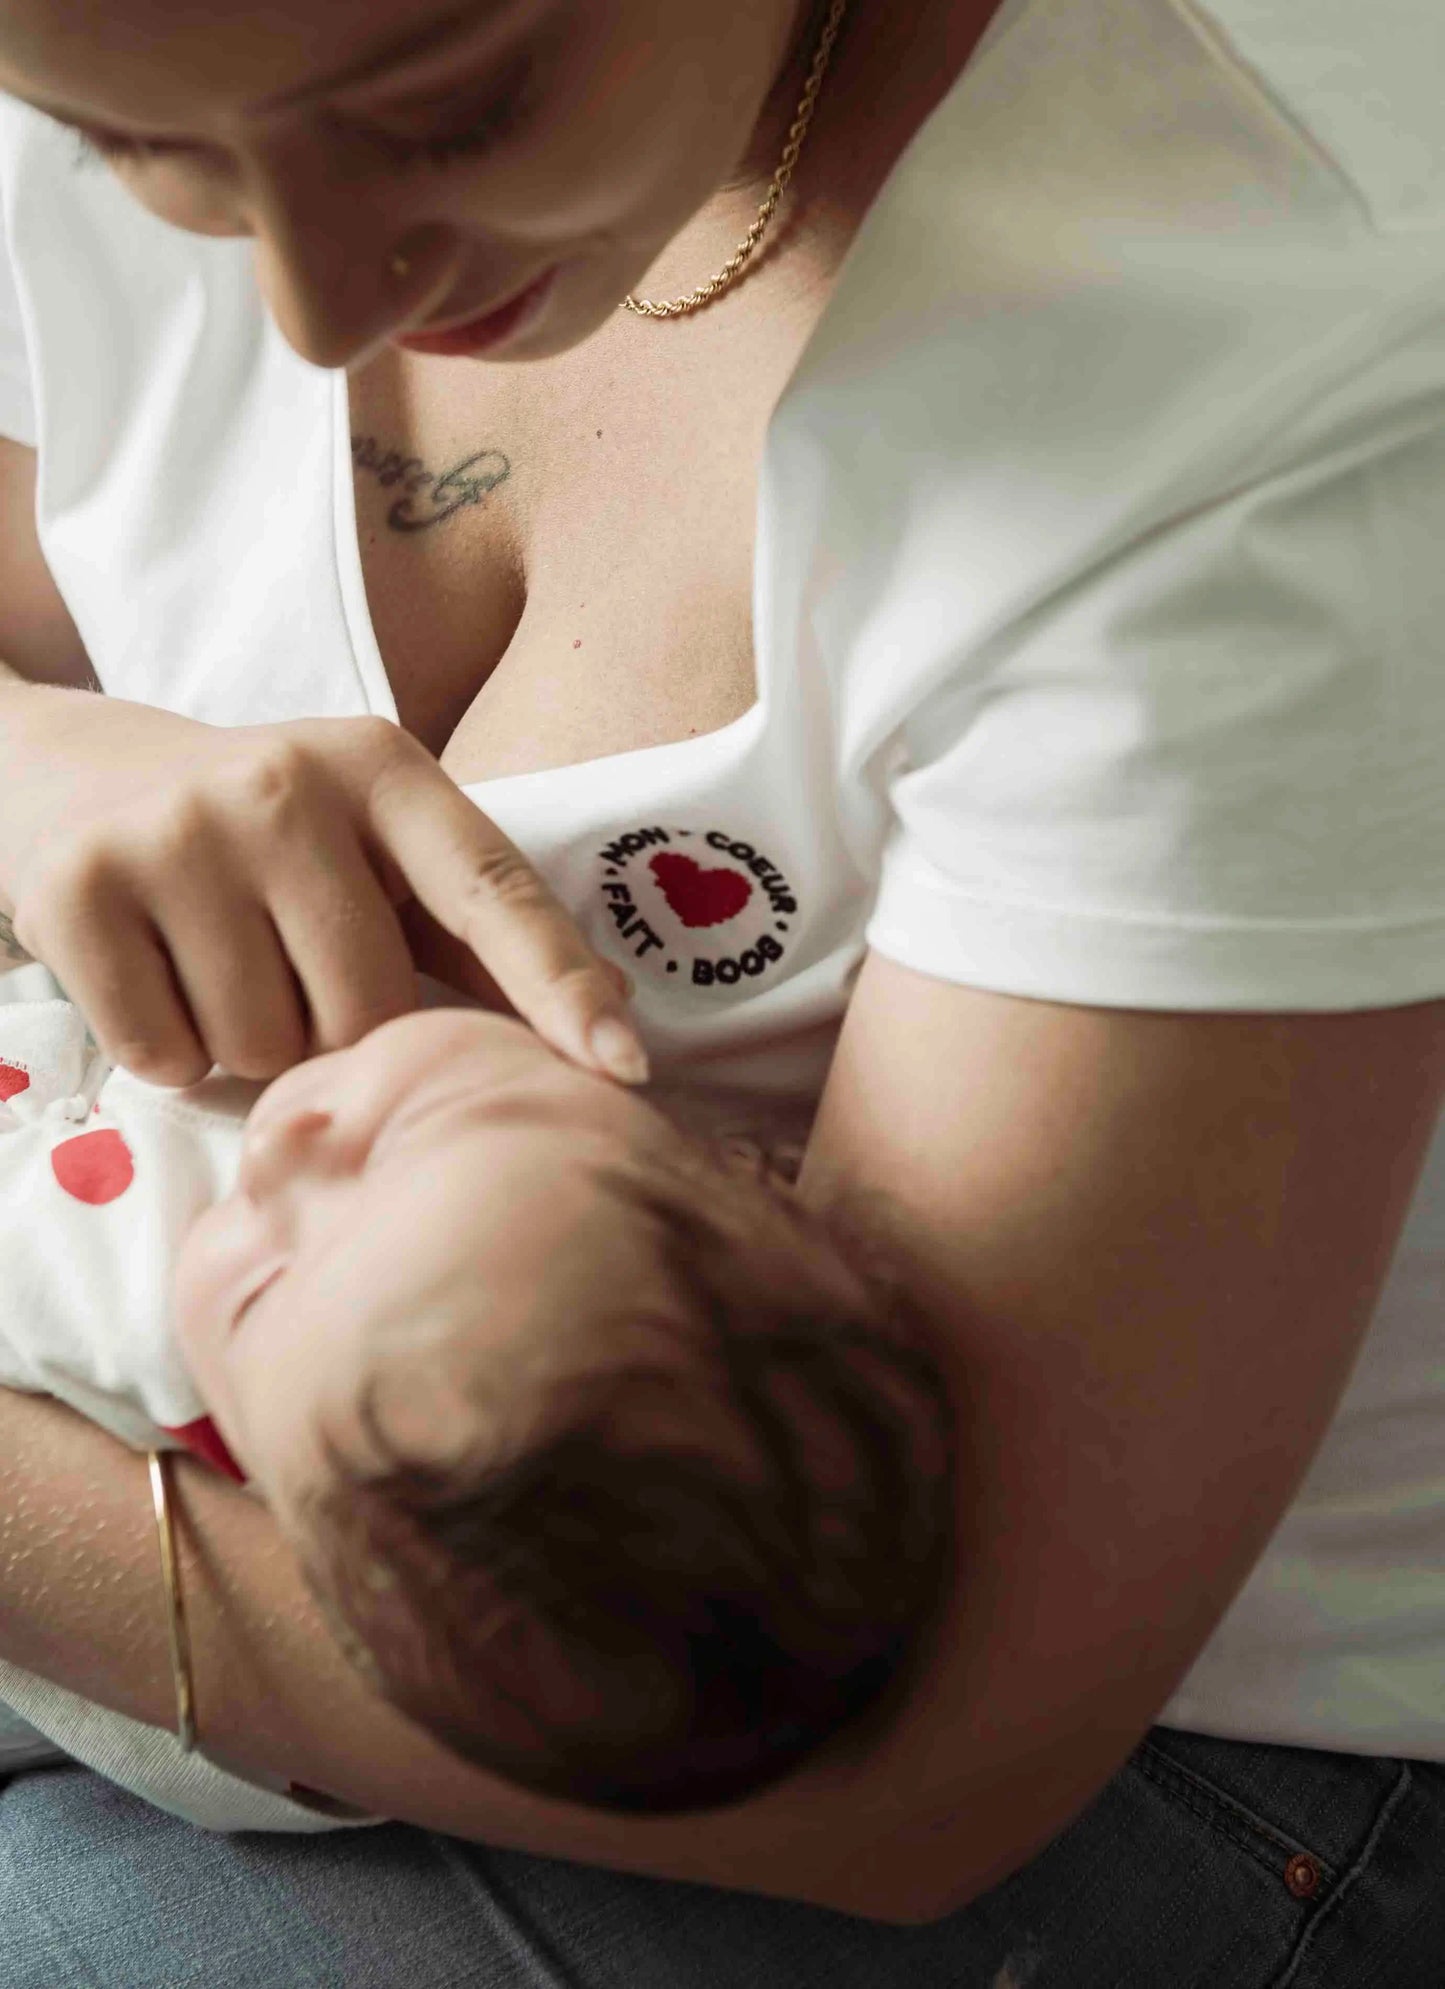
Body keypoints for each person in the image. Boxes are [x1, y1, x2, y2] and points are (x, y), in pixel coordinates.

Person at [0, 0, 1443, 1982]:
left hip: (1070, 1761)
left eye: (447, 105)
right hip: (189, 1463)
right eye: (131, 149)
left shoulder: (1268, 357)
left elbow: (924, 1774)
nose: (319, 307)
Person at [0, 974, 951, 1816]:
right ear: (733, 1150)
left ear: (266, 1502)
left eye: (261, 1295)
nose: (282, 1146)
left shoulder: (117, 1304)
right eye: (420, 1130)